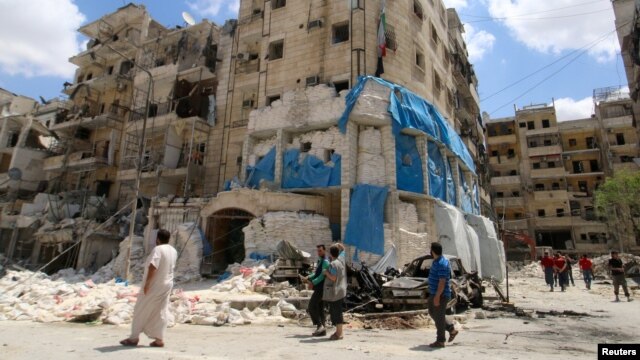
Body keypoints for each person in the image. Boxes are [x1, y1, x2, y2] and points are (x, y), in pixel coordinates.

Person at [120, 229, 178, 347]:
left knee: (141, 309)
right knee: (160, 310)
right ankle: (159, 339)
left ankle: (134, 338)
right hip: (167, 285)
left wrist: (147, 284)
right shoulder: (173, 250)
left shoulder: (158, 249)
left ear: (157, 239)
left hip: (155, 285)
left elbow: (153, 266)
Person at [427, 242, 458, 348]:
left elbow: (442, 281)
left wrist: (437, 296)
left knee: (439, 318)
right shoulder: (436, 262)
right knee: (433, 313)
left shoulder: (441, 263)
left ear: (433, 251)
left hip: (440, 295)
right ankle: (451, 329)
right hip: (434, 293)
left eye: (430, 250)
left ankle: (440, 341)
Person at [303, 245, 330, 336]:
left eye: (321, 251)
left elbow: (322, 276)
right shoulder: (320, 261)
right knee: (320, 308)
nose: (319, 253)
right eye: (318, 251)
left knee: (311, 307)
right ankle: (323, 330)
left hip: (321, 288)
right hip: (319, 287)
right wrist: (309, 277)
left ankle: (319, 326)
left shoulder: (325, 262)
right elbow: (316, 273)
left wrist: (313, 282)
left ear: (325, 251)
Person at [323, 244, 347, 340]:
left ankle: (339, 333)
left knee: (336, 312)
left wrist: (326, 273)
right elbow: (343, 250)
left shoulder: (333, 264)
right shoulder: (341, 260)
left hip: (335, 292)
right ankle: (339, 332)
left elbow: (333, 278)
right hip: (341, 290)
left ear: (330, 254)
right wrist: (339, 245)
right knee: (338, 311)